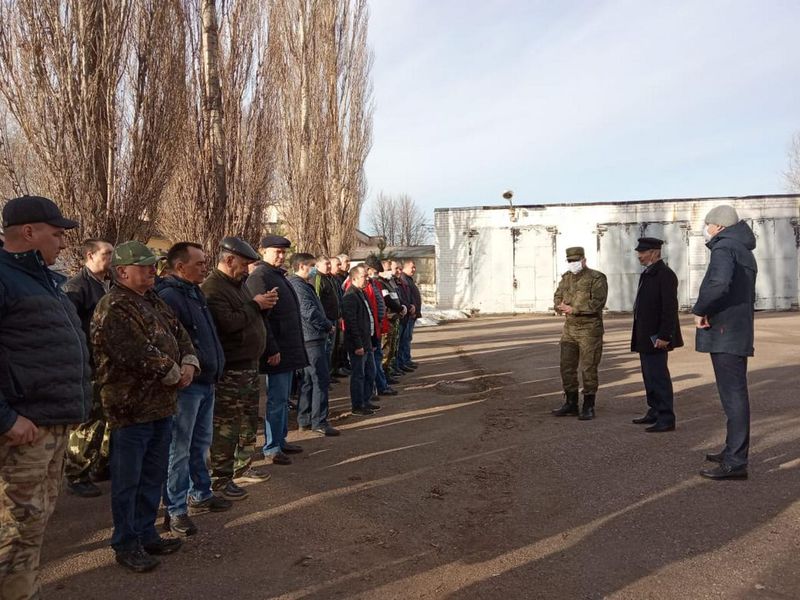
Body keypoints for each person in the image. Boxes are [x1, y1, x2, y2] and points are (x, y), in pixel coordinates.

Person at [0, 195, 92, 598]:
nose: (63, 243)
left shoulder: (46, 281)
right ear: (28, 232)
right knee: (12, 528)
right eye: (57, 234)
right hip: (22, 429)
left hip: (50, 425)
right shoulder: (4, 277)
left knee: (33, 524)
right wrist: (4, 418)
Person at [92, 241, 200, 573]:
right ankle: (126, 542)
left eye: (153, 265)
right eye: (145, 266)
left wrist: (189, 362)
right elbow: (135, 352)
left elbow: (180, 333)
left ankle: (145, 532)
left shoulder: (152, 298)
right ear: (122, 271)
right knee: (129, 480)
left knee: (153, 475)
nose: (153, 270)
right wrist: (173, 373)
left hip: (160, 406)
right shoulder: (114, 306)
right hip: (130, 409)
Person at [156, 242, 232, 536]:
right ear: (180, 267)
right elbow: (171, 343)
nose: (204, 267)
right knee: (180, 449)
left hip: (206, 382)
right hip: (186, 386)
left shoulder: (194, 292)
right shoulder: (169, 296)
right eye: (199, 263)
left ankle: (201, 492)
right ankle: (175, 509)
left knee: (201, 443)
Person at [202, 238, 276, 500]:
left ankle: (242, 465)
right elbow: (227, 323)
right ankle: (220, 478)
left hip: (248, 365)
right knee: (226, 425)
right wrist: (256, 305)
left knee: (246, 421)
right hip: (231, 369)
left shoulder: (239, 286)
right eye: (244, 264)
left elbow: (249, 317)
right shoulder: (213, 288)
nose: (247, 270)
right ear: (229, 260)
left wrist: (259, 306)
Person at [693, 205, 757, 480]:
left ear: (718, 226)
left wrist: (700, 309)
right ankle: (733, 450)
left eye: (708, 224)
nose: (706, 229)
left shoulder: (723, 248)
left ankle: (735, 461)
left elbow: (719, 284)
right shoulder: (741, 248)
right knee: (733, 395)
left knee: (733, 396)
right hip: (735, 328)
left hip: (725, 330)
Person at [247, 235, 306, 465]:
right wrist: (271, 348)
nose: (281, 256)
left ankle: (280, 440)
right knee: (276, 400)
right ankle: (271, 447)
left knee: (281, 399)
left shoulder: (277, 275)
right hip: (277, 350)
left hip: (287, 348)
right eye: (276, 252)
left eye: (283, 252)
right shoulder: (260, 276)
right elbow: (262, 319)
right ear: (263, 251)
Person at [62, 238, 114, 497]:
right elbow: (70, 329)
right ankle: (76, 473)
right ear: (90, 255)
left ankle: (100, 465)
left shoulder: (108, 284)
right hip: (90, 364)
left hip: (107, 364)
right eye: (107, 253)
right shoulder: (77, 288)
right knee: (89, 422)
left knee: (105, 419)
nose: (111, 258)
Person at [630, 237, 683, 433]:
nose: (639, 256)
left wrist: (665, 335)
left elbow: (669, 309)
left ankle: (666, 417)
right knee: (649, 375)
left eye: (642, 252)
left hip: (657, 337)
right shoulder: (649, 273)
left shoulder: (665, 274)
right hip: (645, 335)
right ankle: (654, 409)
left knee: (659, 376)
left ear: (654, 252)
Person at [551, 246, 608, 420]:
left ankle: (589, 405)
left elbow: (597, 303)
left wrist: (573, 308)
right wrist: (559, 306)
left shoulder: (596, 278)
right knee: (566, 367)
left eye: (576, 260)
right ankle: (571, 403)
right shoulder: (566, 278)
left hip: (590, 329)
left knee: (588, 367)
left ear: (584, 260)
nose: (573, 264)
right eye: (570, 261)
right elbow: (557, 295)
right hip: (570, 329)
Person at [288, 253, 340, 436]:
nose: (314, 270)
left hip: (311, 338)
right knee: (320, 380)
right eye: (311, 265)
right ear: (302, 266)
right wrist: (327, 325)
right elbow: (309, 312)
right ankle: (319, 421)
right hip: (311, 339)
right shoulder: (297, 285)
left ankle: (306, 419)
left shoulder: (303, 285)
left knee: (309, 381)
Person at [342, 265, 381, 416]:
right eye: (364, 276)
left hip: (367, 341)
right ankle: (357, 405)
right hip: (358, 344)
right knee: (359, 375)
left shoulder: (361, 293)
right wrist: (358, 344)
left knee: (370, 372)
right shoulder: (350, 296)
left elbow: (369, 317)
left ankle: (366, 400)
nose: (367, 279)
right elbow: (351, 323)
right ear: (354, 279)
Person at [363, 255, 399, 396]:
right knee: (375, 359)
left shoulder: (375, 284)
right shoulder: (367, 286)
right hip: (372, 328)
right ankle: (376, 388)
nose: (376, 275)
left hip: (379, 326)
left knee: (379, 357)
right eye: (375, 272)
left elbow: (380, 305)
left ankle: (381, 384)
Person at [313, 255, 341, 377]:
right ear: (318, 265)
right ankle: (324, 376)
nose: (329, 266)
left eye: (330, 264)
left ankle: (328, 374)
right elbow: (317, 300)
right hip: (326, 320)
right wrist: (324, 321)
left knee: (330, 349)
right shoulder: (318, 278)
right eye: (326, 264)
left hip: (333, 318)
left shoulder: (329, 278)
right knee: (325, 349)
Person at [379, 259, 406, 382]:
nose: (390, 272)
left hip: (394, 317)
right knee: (386, 348)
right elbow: (388, 300)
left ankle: (388, 371)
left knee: (392, 348)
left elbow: (396, 298)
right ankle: (384, 373)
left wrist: (401, 307)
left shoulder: (389, 282)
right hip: (388, 318)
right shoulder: (381, 283)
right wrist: (400, 308)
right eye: (388, 269)